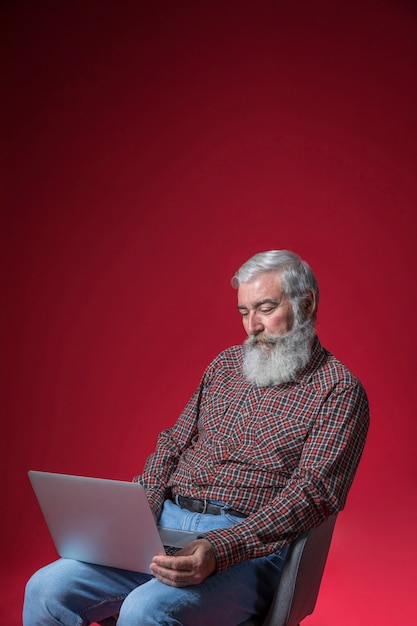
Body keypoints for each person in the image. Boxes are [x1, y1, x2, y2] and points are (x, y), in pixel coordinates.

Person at [23, 249, 369, 626]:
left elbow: (313, 496)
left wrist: (219, 549)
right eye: (243, 312)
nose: (252, 326)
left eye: (266, 309)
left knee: (145, 611)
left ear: (305, 303)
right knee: (46, 588)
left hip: (248, 550)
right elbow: (172, 444)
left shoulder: (338, 390)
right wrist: (141, 509)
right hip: (162, 529)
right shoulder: (223, 367)